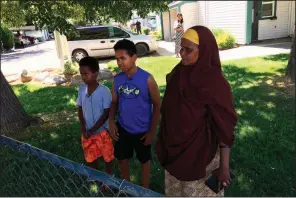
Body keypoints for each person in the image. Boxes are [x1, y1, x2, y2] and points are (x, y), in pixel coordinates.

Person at [155, 26, 238, 196]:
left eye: (188, 50)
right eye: (181, 48)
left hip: (201, 157)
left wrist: (224, 166)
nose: (182, 53)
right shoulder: (177, 74)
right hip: (174, 153)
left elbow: (224, 128)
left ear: (204, 51)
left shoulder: (216, 85)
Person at [109, 39, 161, 189]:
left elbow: (157, 105)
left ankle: (144, 189)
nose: (119, 62)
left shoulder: (147, 79)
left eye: (123, 58)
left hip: (143, 130)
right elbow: (114, 102)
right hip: (123, 127)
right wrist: (111, 121)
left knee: (144, 159)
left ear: (134, 57)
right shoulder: (117, 79)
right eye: (117, 59)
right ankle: (127, 185)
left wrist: (152, 131)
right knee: (121, 157)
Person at [77, 57, 114, 175]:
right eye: (81, 74)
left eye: (86, 74)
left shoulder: (104, 91)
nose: (83, 77)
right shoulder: (82, 90)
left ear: (95, 74)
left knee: (107, 156)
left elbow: (106, 113)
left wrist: (93, 130)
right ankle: (97, 176)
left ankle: (108, 179)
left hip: (102, 132)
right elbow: (80, 108)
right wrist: (84, 129)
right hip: (87, 132)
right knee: (91, 156)